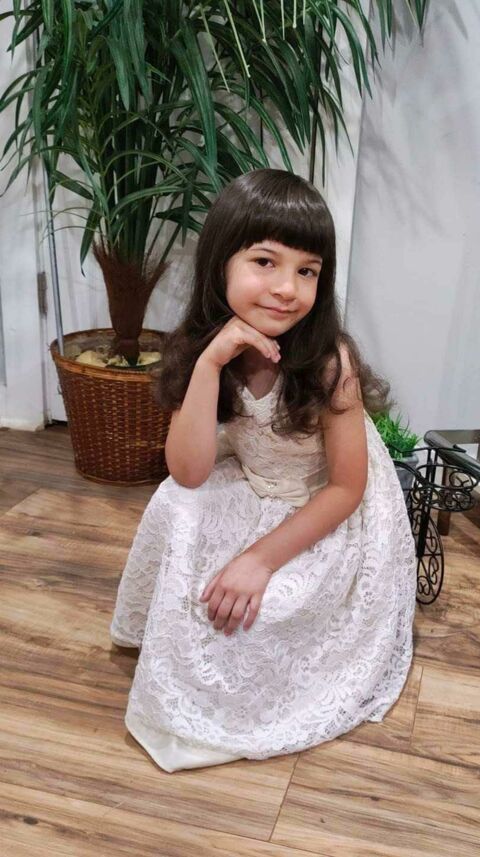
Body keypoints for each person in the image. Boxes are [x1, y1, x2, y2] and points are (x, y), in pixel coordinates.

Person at [110, 168, 417, 773]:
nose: (286, 289)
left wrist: (258, 560)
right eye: (265, 262)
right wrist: (209, 364)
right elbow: (188, 471)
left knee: (264, 613)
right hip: (254, 484)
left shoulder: (329, 361)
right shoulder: (207, 344)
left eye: (307, 271)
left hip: (325, 508)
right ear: (220, 262)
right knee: (175, 501)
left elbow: (346, 488)